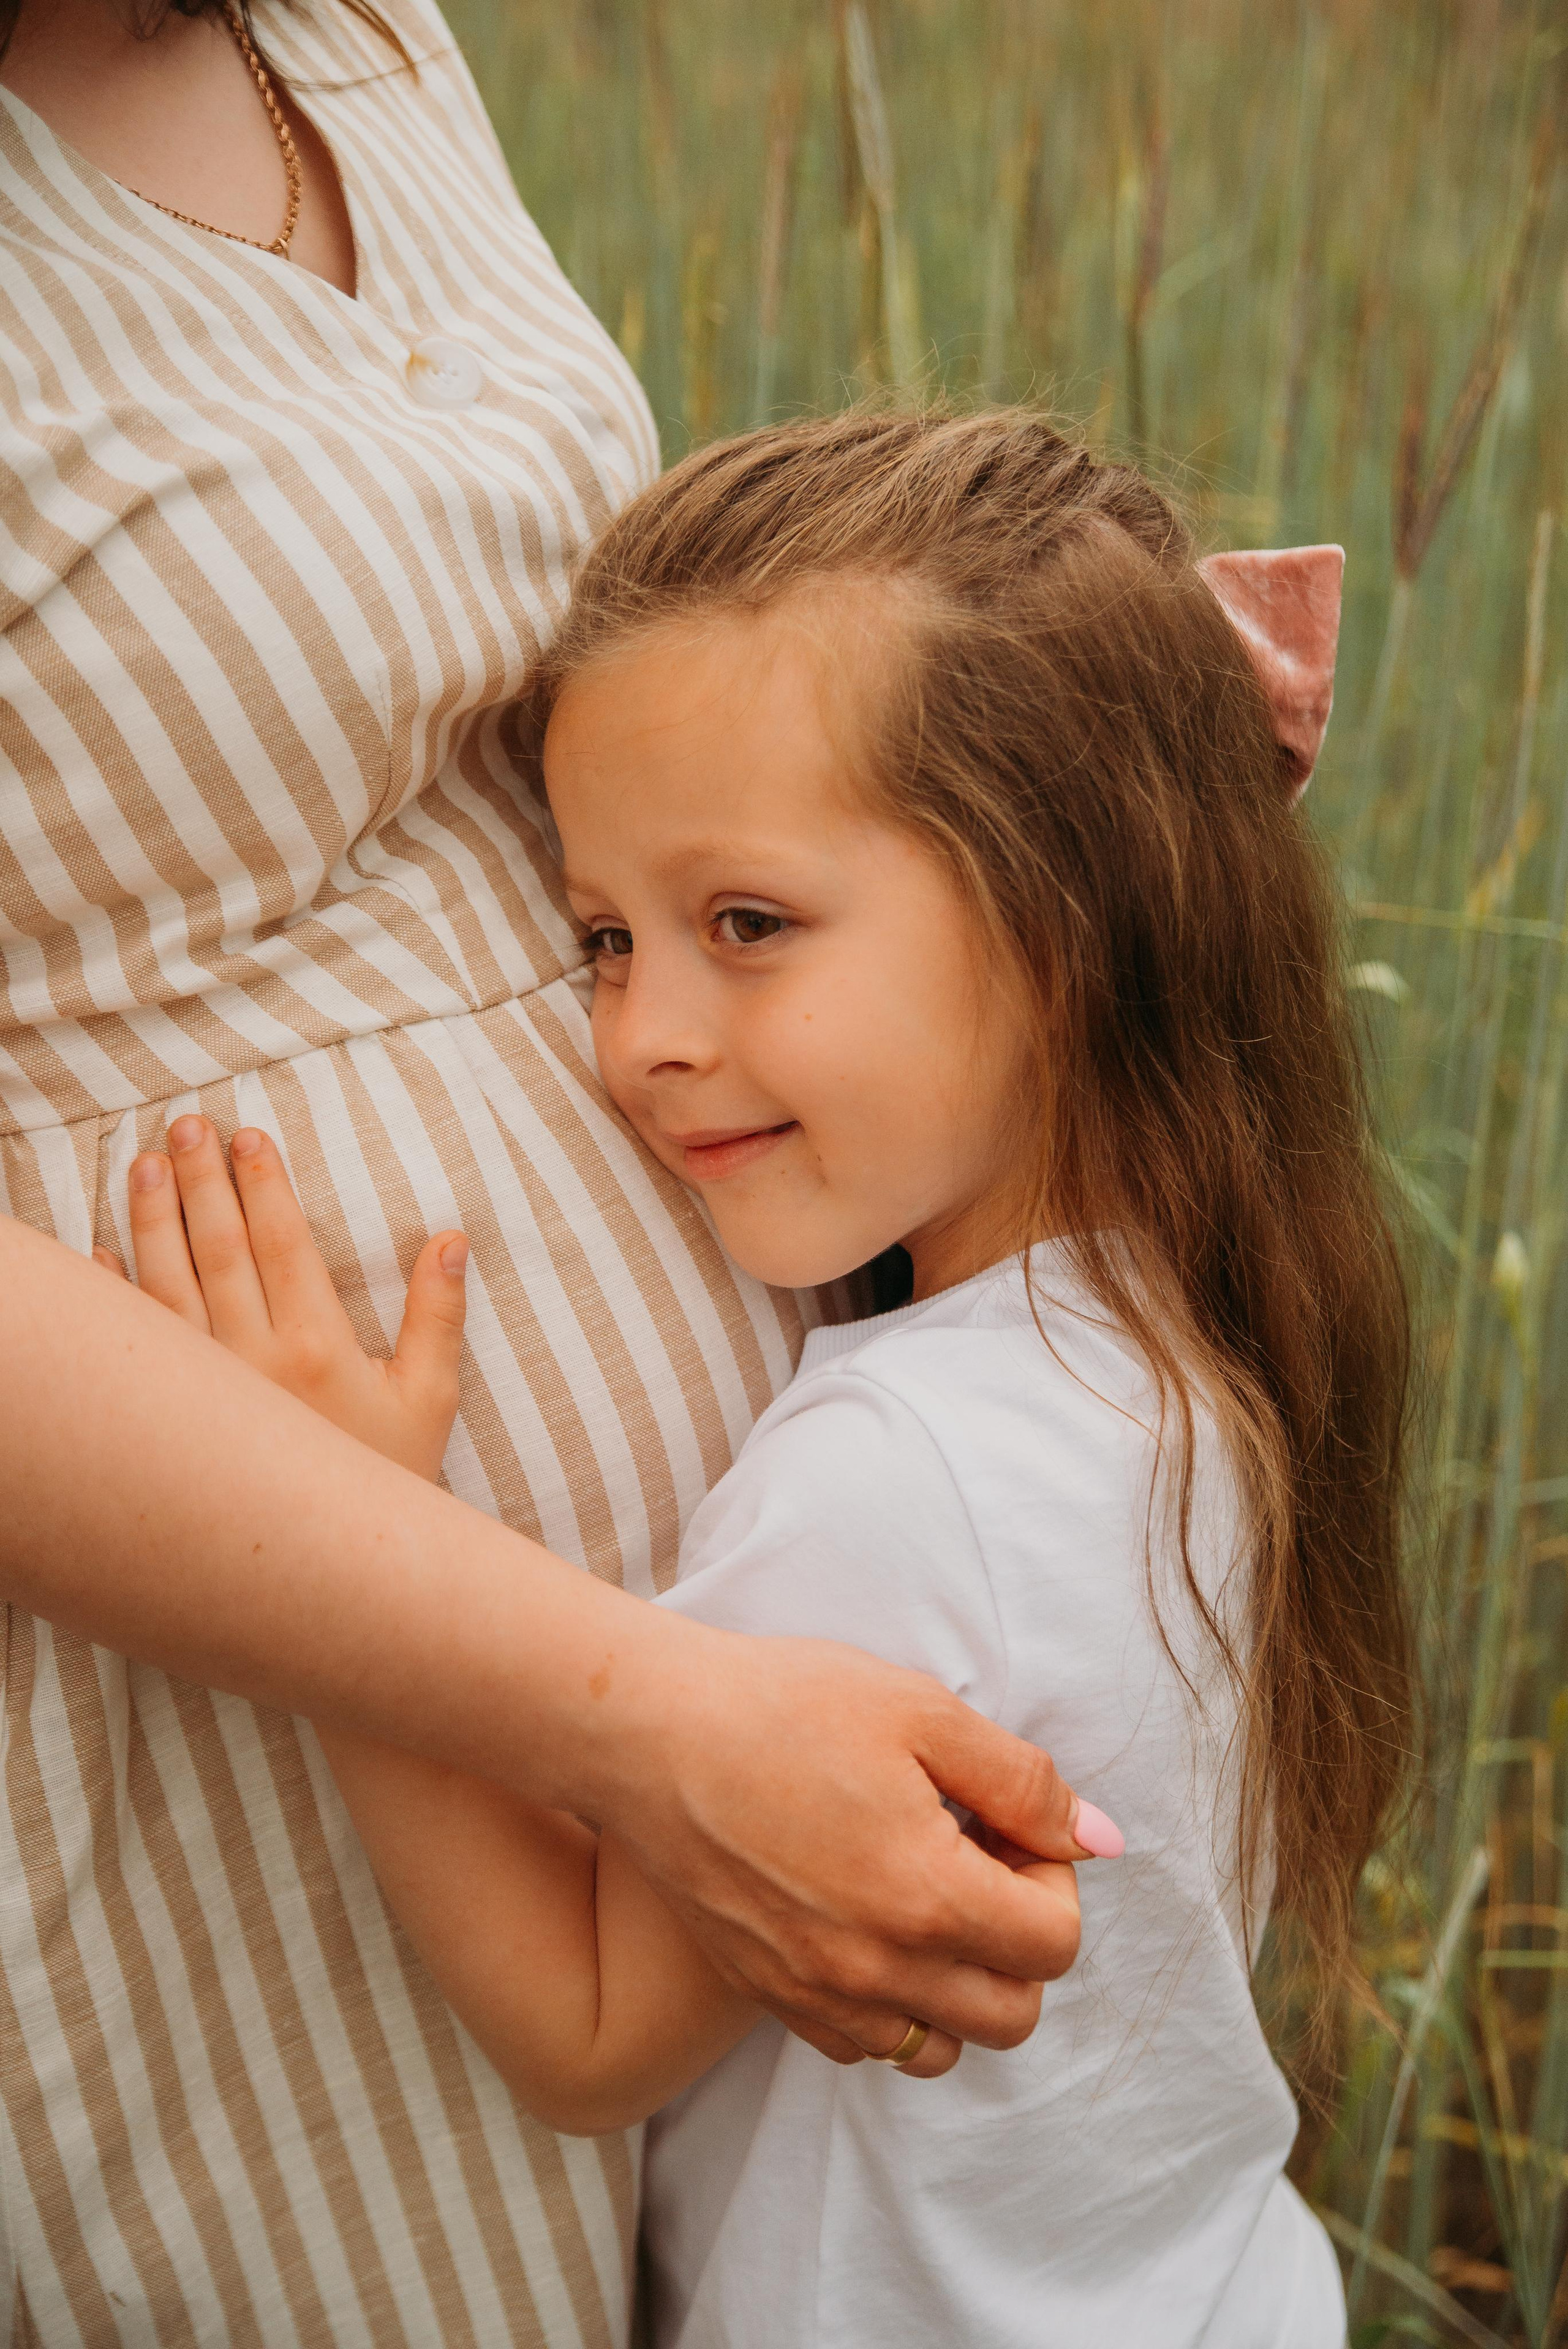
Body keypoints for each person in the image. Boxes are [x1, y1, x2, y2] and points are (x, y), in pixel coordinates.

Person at [0, 5, 1094, 2340]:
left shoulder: (357, 29)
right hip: (225, 1736)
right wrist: (616, 1707)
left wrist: (1057, 740)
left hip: (705, 1739)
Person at [108, 408, 1412, 2346]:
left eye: (748, 925)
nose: (641, 1034)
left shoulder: (900, 1469)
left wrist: (349, 1512)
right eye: (605, 938)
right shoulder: (1205, 1321)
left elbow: (590, 2025)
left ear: (1073, 907)